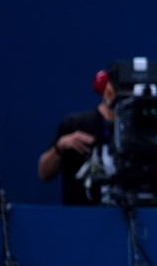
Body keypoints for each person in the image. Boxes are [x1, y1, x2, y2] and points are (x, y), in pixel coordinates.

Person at [38, 68, 116, 205]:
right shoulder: (76, 124)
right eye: (113, 86)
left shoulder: (140, 130)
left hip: (129, 218)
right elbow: (44, 173)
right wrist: (60, 146)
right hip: (82, 218)